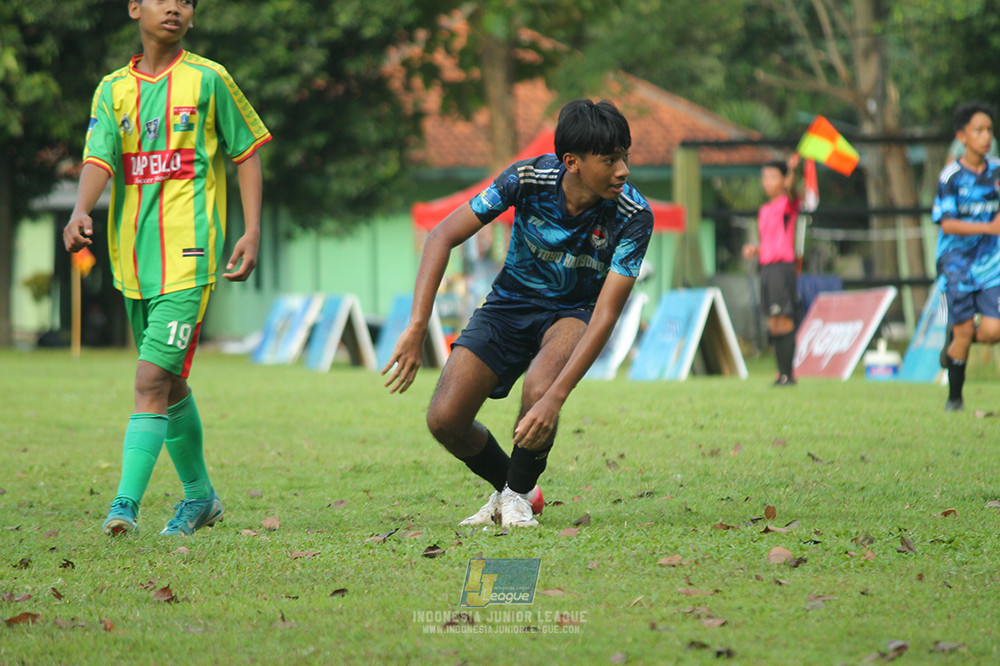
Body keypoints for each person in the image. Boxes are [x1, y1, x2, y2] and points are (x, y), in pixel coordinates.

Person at [383, 99, 653, 527]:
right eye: (610, 159)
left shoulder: (634, 214)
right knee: (445, 419)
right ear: (572, 162)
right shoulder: (527, 178)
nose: (623, 170)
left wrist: (555, 399)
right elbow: (440, 237)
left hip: (575, 312)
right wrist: (416, 327)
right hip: (508, 305)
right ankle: (518, 489)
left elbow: (605, 315)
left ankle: (515, 500)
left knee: (540, 388)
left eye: (625, 156)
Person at [62, 0, 271, 536]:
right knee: (169, 384)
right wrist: (81, 209)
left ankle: (123, 507)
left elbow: (245, 152)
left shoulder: (209, 80)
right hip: (132, 260)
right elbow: (99, 157)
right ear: (135, 7)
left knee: (151, 377)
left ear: (193, 17)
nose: (174, 7)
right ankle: (201, 498)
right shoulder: (113, 89)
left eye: (186, 1)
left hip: (191, 257)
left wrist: (250, 230)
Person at [932, 102, 1000, 412]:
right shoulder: (950, 177)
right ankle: (955, 400)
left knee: (992, 331)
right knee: (961, 332)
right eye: (978, 130)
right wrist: (988, 226)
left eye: (989, 130)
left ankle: (954, 348)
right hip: (956, 265)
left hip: (991, 263)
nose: (986, 136)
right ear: (962, 136)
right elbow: (946, 223)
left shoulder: (997, 171)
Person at [743, 155, 802, 386]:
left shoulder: (788, 203)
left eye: (772, 177)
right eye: (764, 177)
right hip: (766, 268)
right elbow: (770, 241)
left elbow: (794, 191)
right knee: (773, 322)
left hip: (782, 268)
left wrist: (793, 171)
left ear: (784, 180)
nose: (767, 181)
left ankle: (790, 374)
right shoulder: (765, 210)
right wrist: (755, 249)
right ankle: (781, 373)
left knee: (784, 319)